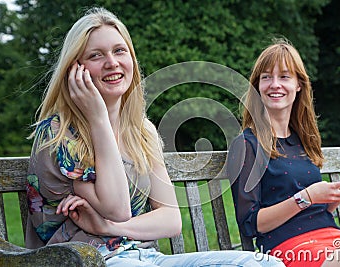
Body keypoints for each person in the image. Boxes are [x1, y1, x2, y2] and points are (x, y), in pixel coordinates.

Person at [25, 7, 285, 267]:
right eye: (96, 55)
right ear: (76, 70)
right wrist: (99, 119)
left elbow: (170, 220)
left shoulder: (142, 130)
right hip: (88, 260)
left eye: (119, 51)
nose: (112, 62)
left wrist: (106, 227)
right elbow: (118, 208)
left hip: (144, 257)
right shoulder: (60, 133)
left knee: (264, 264)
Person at [227, 38, 340, 267]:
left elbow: (308, 208)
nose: (274, 84)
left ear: (298, 85)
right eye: (266, 77)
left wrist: (333, 197)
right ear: (257, 86)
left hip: (334, 242)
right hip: (290, 249)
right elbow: (251, 223)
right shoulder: (247, 145)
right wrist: (306, 197)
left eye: (284, 77)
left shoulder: (303, 140)